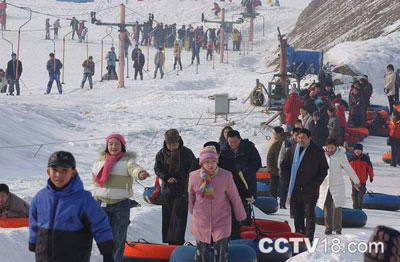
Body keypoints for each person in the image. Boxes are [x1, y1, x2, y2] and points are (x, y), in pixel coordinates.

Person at [29, 151, 114, 262]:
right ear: (48, 172)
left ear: (73, 172)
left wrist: (107, 252)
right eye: (55, 170)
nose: (59, 175)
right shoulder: (40, 197)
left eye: (64, 170)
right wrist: (33, 241)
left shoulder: (84, 200)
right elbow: (34, 222)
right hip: (44, 257)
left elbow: (100, 224)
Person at [92, 134, 150, 262]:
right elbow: (95, 180)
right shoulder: (99, 161)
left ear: (122, 146)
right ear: (107, 146)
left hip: (120, 205)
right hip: (101, 204)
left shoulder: (126, 161)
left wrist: (140, 174)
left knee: (118, 238)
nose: (114, 146)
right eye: (111, 144)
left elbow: (134, 169)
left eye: (117, 144)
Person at [188, 146, 246, 262]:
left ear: (217, 161)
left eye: (213, 161)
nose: (210, 165)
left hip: (221, 219)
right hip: (201, 220)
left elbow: (234, 197)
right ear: (202, 163)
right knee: (202, 253)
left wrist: (241, 215)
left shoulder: (226, 176)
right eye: (207, 162)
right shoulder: (194, 176)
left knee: (221, 253)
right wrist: (192, 209)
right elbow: (190, 195)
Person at [281, 128, 329, 241]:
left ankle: (309, 237)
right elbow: (285, 165)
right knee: (297, 214)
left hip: (310, 188)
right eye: (299, 138)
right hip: (295, 187)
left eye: (303, 138)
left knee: (309, 214)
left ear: (309, 138)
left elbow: (324, 169)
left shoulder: (317, 150)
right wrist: (286, 179)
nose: (301, 140)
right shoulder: (292, 149)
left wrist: (315, 184)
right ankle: (299, 235)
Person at [154, 129, 196, 245]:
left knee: (178, 216)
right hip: (167, 190)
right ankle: (169, 243)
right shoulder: (161, 153)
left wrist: (178, 176)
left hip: (182, 190)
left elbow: (192, 168)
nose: (172, 146)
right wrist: (166, 177)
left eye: (174, 144)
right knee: (167, 216)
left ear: (179, 142)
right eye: (169, 144)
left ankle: (177, 242)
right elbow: (157, 168)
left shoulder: (187, 153)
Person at [316, 138, 360, 235]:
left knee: (337, 207)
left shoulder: (341, 155)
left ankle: (338, 228)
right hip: (325, 185)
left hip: (337, 185)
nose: (330, 150)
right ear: (326, 147)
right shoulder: (321, 154)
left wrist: (356, 181)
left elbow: (348, 168)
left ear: (336, 147)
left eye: (332, 148)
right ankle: (328, 228)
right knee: (327, 207)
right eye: (329, 148)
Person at [222, 130, 262, 198]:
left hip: (248, 181)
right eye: (230, 142)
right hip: (232, 182)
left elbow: (257, 163)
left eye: (235, 142)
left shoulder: (249, 147)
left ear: (240, 139)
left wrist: (245, 173)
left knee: (250, 202)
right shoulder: (224, 151)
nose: (233, 144)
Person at [278, 128, 301, 209]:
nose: (297, 137)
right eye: (296, 135)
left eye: (299, 135)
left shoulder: (302, 144)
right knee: (284, 186)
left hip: (297, 168)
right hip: (286, 167)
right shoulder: (287, 142)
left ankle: (293, 204)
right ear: (293, 134)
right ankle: (282, 204)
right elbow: (281, 156)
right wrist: (280, 168)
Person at [349, 143, 374, 210]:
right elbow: (346, 168)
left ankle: (359, 208)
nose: (357, 151)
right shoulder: (351, 158)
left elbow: (370, 168)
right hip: (353, 181)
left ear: (361, 151)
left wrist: (371, 176)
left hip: (362, 181)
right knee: (354, 195)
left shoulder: (365, 158)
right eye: (356, 150)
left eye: (359, 150)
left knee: (360, 195)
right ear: (354, 151)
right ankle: (355, 207)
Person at [266, 126, 285, 199]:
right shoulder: (274, 142)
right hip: (274, 170)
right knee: (273, 187)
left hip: (282, 169)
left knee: (281, 187)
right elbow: (269, 157)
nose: (273, 134)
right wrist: (270, 169)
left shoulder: (283, 142)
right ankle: (273, 200)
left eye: (274, 133)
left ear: (279, 134)